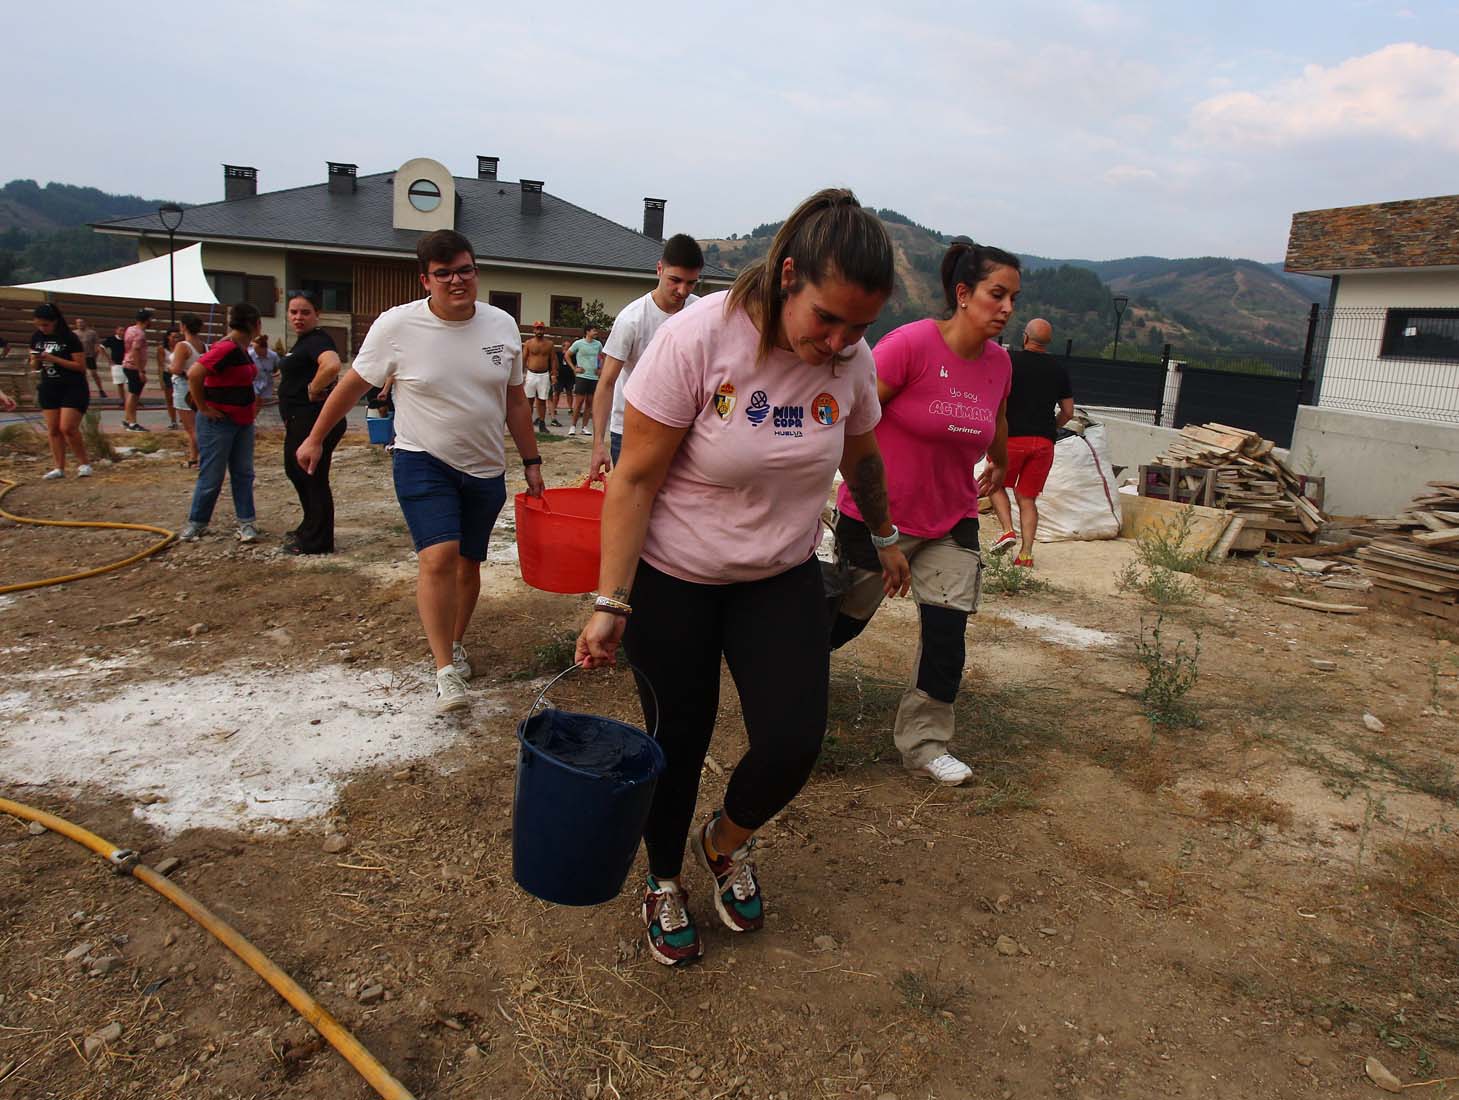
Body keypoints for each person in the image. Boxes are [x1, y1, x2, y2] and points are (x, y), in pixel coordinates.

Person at [575, 188, 910, 967]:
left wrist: (886, 535)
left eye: (859, 327)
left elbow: (860, 452)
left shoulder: (850, 361)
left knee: (793, 739)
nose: (838, 342)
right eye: (825, 319)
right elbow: (632, 480)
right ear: (788, 275)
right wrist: (610, 601)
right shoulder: (701, 337)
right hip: (674, 578)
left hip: (778, 573)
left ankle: (724, 842)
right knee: (677, 741)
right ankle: (662, 879)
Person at [296, 229, 544, 713]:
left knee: (470, 563)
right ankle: (444, 670)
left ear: (476, 270)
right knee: (439, 556)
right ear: (425, 279)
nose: (457, 280)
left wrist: (532, 462)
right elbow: (351, 385)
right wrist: (316, 436)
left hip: (485, 466)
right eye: (444, 273)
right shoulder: (396, 326)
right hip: (421, 458)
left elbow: (515, 401)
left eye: (465, 269)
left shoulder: (501, 326)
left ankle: (454, 643)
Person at [828, 238, 1018, 787]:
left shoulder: (1001, 362)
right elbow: (854, 414)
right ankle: (785, 692)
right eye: (996, 294)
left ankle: (926, 743)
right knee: (839, 625)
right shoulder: (908, 346)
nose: (1007, 308)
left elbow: (997, 416)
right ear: (963, 294)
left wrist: (1000, 463)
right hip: (878, 515)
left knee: (946, 631)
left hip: (952, 516)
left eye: (1013, 298)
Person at [589, 234, 703, 478]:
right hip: (632, 428)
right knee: (633, 505)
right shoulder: (631, 319)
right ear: (659, 269)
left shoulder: (701, 312)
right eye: (675, 280)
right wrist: (599, 443)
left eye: (691, 283)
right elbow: (607, 382)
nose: (682, 290)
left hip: (682, 427)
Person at [988, 318, 1074, 567]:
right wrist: (1051, 428)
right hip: (1044, 444)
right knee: (1027, 498)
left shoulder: (1010, 362)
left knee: (994, 483)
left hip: (1012, 439)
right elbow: (1068, 411)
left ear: (1025, 337)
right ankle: (1025, 554)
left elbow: (995, 397)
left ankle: (1007, 530)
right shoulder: (1059, 370)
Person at [180, 303, 260, 543]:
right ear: (256, 325)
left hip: (242, 421)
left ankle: (246, 522)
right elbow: (195, 373)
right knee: (212, 474)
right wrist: (203, 407)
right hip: (220, 422)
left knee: (243, 473)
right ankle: (197, 522)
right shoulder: (226, 348)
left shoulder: (241, 348)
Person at [278, 290, 345, 554]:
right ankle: (309, 527)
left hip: (312, 421)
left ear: (317, 314)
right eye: (294, 312)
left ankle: (318, 540)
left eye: (305, 312)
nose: (298, 317)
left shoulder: (318, 340)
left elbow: (331, 365)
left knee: (312, 477)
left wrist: (313, 389)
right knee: (297, 472)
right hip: (298, 420)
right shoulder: (302, 342)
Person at [29, 304, 93, 479]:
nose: (42, 328)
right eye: (39, 325)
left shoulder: (69, 338)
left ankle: (84, 463)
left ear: (55, 322)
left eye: (46, 325)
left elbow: (80, 366)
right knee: (53, 428)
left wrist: (53, 358)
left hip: (72, 386)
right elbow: (34, 365)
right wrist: (36, 359)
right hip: (49, 385)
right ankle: (59, 467)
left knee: (68, 427)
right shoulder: (37, 337)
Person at [169, 314, 204, 467]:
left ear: (184, 326)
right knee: (198, 425)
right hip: (200, 385)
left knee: (191, 428)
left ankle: (200, 458)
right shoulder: (204, 345)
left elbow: (176, 368)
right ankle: (193, 457)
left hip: (184, 385)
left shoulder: (183, 346)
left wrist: (169, 367)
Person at [564, 325, 601, 437]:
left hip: (593, 377)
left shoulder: (598, 344)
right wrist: (574, 368)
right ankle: (573, 426)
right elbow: (567, 355)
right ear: (587, 332)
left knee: (589, 403)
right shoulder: (578, 343)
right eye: (594, 330)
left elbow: (601, 356)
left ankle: (584, 427)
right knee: (579, 402)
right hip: (582, 376)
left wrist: (600, 368)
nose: (596, 332)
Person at [522, 321, 557, 432]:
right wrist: (520, 373)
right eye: (537, 329)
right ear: (534, 330)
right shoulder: (528, 343)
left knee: (542, 400)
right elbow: (523, 358)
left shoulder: (549, 344)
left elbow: (553, 360)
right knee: (529, 400)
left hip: (544, 375)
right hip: (531, 374)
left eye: (541, 329)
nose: (539, 331)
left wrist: (554, 374)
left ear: (544, 330)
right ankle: (527, 423)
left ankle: (542, 422)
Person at [250, 333, 281, 420]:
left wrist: (278, 372)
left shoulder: (273, 355)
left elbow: (280, 366)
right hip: (254, 381)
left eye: (257, 350)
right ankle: (250, 421)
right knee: (254, 401)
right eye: (254, 349)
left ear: (264, 348)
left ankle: (253, 419)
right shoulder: (250, 354)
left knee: (260, 403)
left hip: (267, 382)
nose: (255, 351)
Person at [75, 317, 107, 398]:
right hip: (79, 356)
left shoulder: (91, 333)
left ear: (85, 323)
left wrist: (96, 354)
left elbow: (97, 344)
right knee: (81, 374)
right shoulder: (74, 333)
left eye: (81, 322)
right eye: (78, 323)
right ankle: (82, 390)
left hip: (90, 356)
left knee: (94, 373)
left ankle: (101, 390)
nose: (80, 324)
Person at [157, 325, 181, 430]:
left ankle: (183, 417)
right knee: (170, 399)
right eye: (173, 337)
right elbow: (161, 365)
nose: (176, 339)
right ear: (168, 337)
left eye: (177, 337)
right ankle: (173, 420)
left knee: (180, 398)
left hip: (179, 373)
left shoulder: (181, 346)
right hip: (168, 374)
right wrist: (161, 380)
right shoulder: (162, 348)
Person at [102, 325, 127, 404]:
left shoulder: (127, 339)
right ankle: (122, 400)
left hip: (127, 363)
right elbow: (101, 347)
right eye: (120, 330)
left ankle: (131, 400)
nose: (122, 332)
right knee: (120, 383)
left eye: (123, 330)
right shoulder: (111, 339)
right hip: (116, 364)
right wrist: (109, 360)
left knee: (130, 383)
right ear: (116, 331)